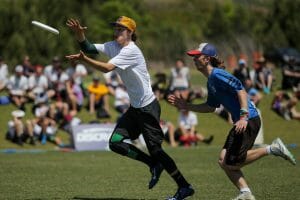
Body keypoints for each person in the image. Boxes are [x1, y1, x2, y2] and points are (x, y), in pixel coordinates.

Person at [66, 16, 194, 200]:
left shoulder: (131, 51)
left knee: (157, 150)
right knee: (116, 142)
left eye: (120, 29)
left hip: (148, 108)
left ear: (130, 32)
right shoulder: (113, 46)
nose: (116, 31)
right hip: (135, 109)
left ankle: (184, 187)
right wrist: (80, 34)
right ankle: (152, 164)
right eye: (115, 28)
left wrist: (84, 60)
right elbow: (89, 48)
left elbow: (106, 68)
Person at [168, 42, 296, 200]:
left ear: (207, 59)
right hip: (242, 121)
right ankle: (245, 193)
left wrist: (243, 116)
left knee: (232, 163)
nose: (194, 59)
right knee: (223, 160)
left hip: (248, 120)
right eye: (193, 56)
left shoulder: (217, 75)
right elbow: (210, 106)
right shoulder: (211, 81)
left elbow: (241, 90)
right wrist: (187, 106)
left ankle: (272, 149)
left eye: (197, 56)